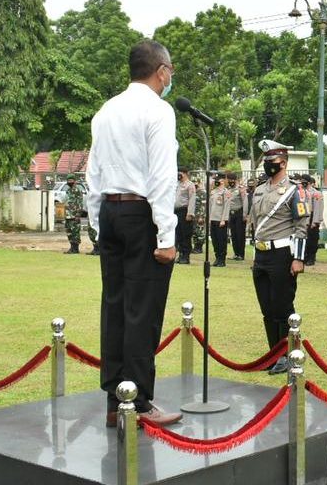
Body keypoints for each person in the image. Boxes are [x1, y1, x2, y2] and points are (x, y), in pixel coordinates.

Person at [85, 39, 182, 427]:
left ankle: (115, 399)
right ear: (161, 70)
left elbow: (93, 172)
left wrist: (97, 223)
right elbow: (161, 177)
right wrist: (167, 236)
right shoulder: (158, 111)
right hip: (141, 214)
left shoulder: (106, 111)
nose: (171, 76)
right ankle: (138, 402)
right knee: (142, 310)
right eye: (170, 70)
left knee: (115, 307)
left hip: (110, 211)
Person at [248, 139, 312, 374]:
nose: (268, 165)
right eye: (266, 161)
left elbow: (302, 224)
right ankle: (273, 354)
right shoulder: (260, 189)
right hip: (262, 254)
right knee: (267, 307)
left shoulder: (296, 190)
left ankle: (287, 354)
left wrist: (299, 258)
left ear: (283, 162)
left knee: (282, 306)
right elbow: (255, 222)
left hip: (283, 254)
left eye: (272, 161)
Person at [63, 173, 97, 255]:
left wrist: (78, 214)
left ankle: (75, 248)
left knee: (75, 232)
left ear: (75, 181)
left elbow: (80, 203)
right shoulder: (68, 191)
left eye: (71, 180)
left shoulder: (77, 190)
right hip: (68, 214)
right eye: (68, 180)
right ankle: (72, 247)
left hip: (74, 215)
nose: (69, 182)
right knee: (69, 232)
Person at [174, 166, 196, 265]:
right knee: (178, 234)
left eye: (181, 173)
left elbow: (192, 199)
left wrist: (190, 213)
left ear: (186, 173)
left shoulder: (190, 185)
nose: (179, 174)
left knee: (185, 234)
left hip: (185, 211)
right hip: (176, 211)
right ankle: (181, 254)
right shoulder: (177, 184)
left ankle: (186, 256)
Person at [209, 173, 231, 267]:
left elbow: (227, 207)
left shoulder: (226, 192)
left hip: (220, 220)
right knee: (215, 240)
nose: (215, 182)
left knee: (221, 240)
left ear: (222, 181)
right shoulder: (213, 192)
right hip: (213, 219)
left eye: (217, 180)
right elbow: (210, 206)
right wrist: (209, 218)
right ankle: (217, 257)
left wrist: (223, 219)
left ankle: (222, 259)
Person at [301, 174, 324, 265]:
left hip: (312, 219)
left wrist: (315, 222)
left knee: (312, 240)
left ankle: (311, 257)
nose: (302, 183)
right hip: (303, 218)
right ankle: (305, 257)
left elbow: (318, 208)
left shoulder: (316, 193)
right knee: (304, 239)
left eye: (304, 181)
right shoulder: (301, 192)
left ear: (309, 182)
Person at [227, 172, 246, 261]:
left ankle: (241, 254)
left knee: (240, 235)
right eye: (229, 180)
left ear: (236, 180)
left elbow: (245, 201)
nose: (231, 182)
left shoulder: (240, 189)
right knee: (233, 235)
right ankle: (236, 253)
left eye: (232, 180)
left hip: (239, 213)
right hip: (231, 214)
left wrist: (245, 214)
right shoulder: (228, 190)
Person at [191, 174, 208, 255]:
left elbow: (204, 205)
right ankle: (195, 246)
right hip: (194, 215)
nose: (194, 184)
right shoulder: (193, 192)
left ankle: (199, 247)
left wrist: (202, 216)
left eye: (195, 182)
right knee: (194, 231)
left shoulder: (202, 192)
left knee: (200, 232)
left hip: (200, 215)